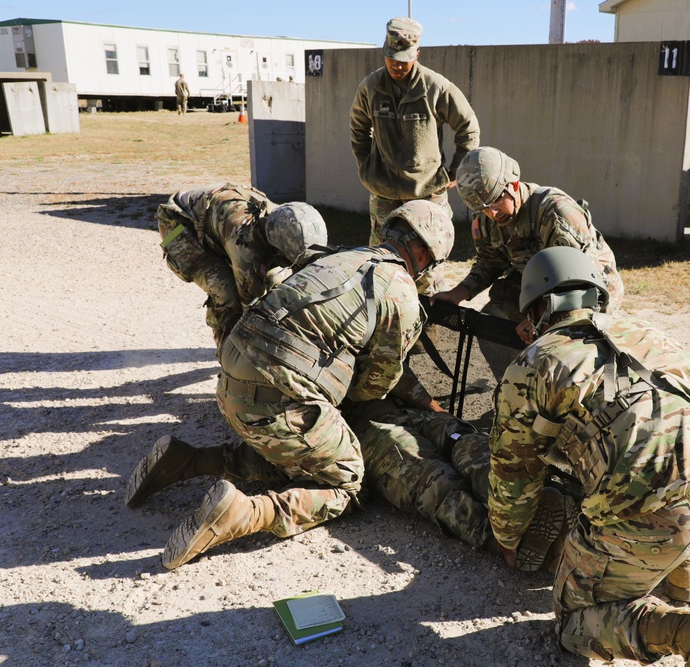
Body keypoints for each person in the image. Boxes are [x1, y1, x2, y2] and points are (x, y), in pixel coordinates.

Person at [126, 200, 454, 569]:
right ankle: (243, 513)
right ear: (425, 252)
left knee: (304, 457)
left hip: (233, 383)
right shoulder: (401, 293)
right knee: (344, 481)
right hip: (275, 400)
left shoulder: (338, 258)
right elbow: (378, 382)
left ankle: (187, 461)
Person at [487, 246, 690, 666]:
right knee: (676, 503)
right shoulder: (643, 329)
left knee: (572, 623)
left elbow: (514, 469)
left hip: (656, 510)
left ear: (540, 308)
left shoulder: (535, 361)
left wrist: (507, 538)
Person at [431, 147, 624, 379]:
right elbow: (489, 263)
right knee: (494, 321)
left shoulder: (557, 212)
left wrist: (537, 319)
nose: (492, 214)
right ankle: (517, 390)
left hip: (585, 288)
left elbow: (582, 284)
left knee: (563, 344)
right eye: (483, 208)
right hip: (537, 284)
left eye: (495, 202)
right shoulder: (485, 218)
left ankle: (561, 397)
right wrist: (458, 293)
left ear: (513, 185)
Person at [344, 398, 574, 570]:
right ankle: (513, 543)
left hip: (405, 409)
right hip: (359, 430)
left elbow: (396, 373)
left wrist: (441, 413)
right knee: (433, 480)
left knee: (468, 444)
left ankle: (543, 502)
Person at [349, 17, 479, 248]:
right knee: (381, 262)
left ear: (417, 55)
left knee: (428, 261)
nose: (397, 66)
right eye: (392, 58)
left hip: (427, 192)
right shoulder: (370, 87)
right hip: (384, 193)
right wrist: (366, 164)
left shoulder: (436, 87)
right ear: (384, 52)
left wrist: (456, 170)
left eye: (404, 60)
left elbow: (468, 128)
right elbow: (358, 127)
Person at [155, 183, 328, 353]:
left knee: (274, 281)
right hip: (178, 223)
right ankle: (229, 358)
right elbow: (250, 308)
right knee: (225, 291)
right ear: (279, 250)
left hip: (214, 223)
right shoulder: (245, 244)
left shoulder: (287, 223)